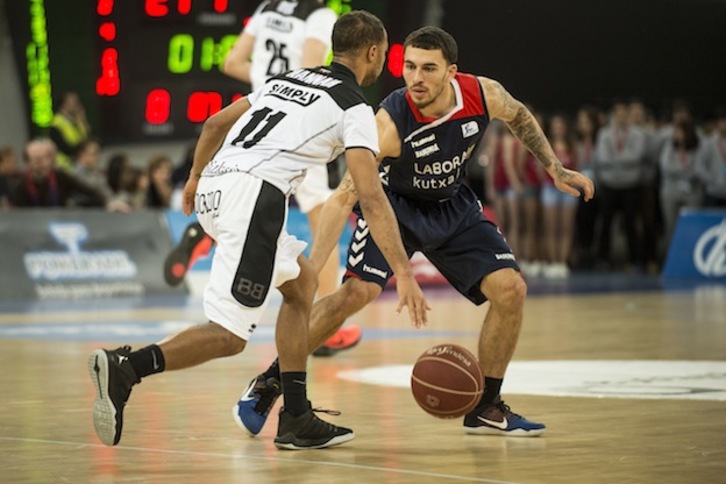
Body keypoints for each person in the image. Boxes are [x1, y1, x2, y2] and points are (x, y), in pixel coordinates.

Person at [88, 10, 429, 451]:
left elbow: (214, 124)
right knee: (229, 336)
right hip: (255, 196)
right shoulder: (355, 107)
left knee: (303, 285)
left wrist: (193, 178)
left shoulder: (289, 78)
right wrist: (402, 269)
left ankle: (296, 416)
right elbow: (371, 194)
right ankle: (128, 368)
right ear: (373, 52)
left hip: (214, 185)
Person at [235, 26, 594, 438]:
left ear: (451, 72)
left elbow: (519, 116)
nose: (416, 78)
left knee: (511, 289)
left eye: (428, 68)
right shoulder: (387, 123)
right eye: (408, 67)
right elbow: (342, 198)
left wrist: (555, 168)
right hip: (394, 209)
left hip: (451, 206)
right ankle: (271, 381)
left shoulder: (483, 94)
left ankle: (487, 407)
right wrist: (316, 265)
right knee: (356, 293)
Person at [166, 0, 360, 356]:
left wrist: (265, 83)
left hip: (258, 112)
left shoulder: (267, 8)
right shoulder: (319, 15)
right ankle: (326, 325)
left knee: (251, 200)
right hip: (298, 119)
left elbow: (231, 62)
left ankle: (205, 232)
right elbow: (313, 67)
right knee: (325, 212)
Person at [10, 138, 107, 208]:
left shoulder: (60, 177)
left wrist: (109, 202)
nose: (44, 164)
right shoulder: (20, 186)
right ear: (28, 163)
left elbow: (90, 191)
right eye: (38, 160)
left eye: (47, 158)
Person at [49, 91, 92, 172]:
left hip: (81, 164)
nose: (76, 105)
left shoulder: (78, 120)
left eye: (77, 102)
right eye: (73, 102)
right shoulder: (57, 122)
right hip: (65, 166)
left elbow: (88, 140)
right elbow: (63, 147)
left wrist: (84, 120)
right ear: (64, 104)